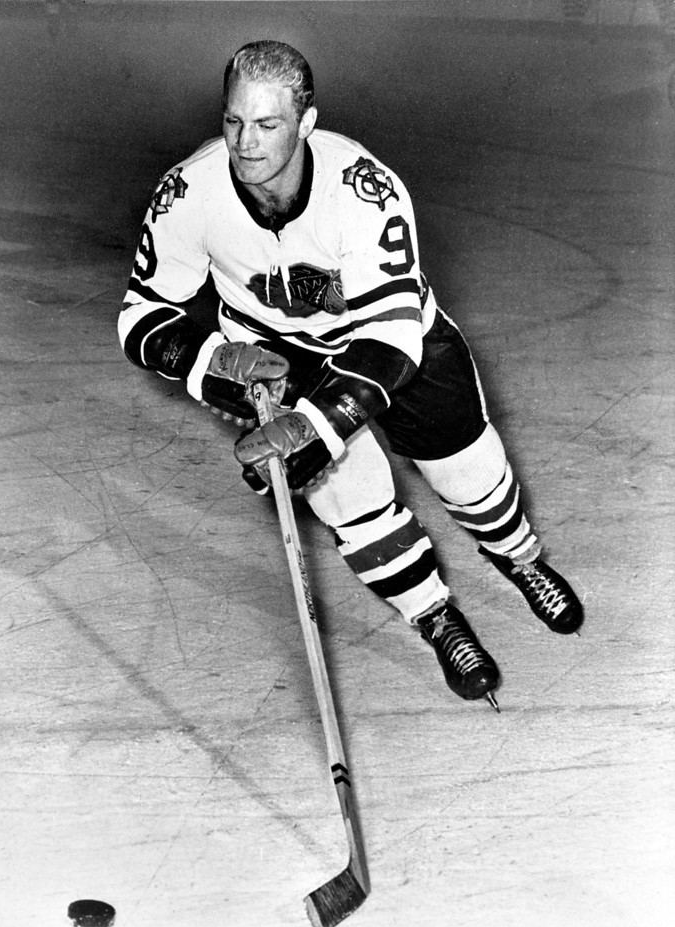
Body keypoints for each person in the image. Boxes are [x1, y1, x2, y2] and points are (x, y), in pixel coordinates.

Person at [117, 40, 583, 709]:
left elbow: (390, 338)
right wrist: (211, 364)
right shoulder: (188, 191)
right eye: (234, 122)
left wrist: (318, 427)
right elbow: (141, 314)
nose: (246, 144)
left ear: (305, 123)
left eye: (268, 124)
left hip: (394, 346)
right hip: (281, 357)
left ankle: (520, 558)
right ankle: (433, 613)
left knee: (472, 476)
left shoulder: (365, 189)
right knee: (353, 501)